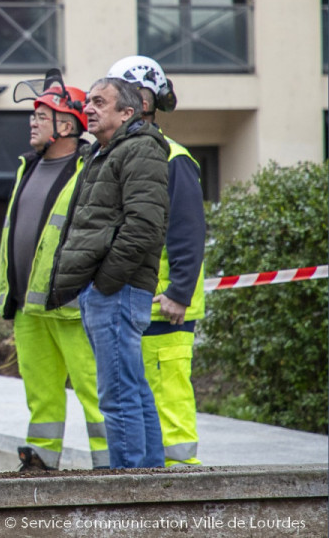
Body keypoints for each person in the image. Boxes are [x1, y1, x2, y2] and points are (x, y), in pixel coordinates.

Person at [48, 77, 169, 469]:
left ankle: (129, 489)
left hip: (116, 290)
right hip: (106, 290)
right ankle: (151, 484)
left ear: (127, 112)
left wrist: (104, 283)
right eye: (90, 102)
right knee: (131, 390)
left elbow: (144, 226)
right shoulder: (101, 153)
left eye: (101, 102)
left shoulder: (139, 151)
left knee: (117, 395)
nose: (90, 108)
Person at [0, 73, 107, 471]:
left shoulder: (90, 168)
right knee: (40, 392)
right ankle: (41, 457)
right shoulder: (28, 166)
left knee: (93, 388)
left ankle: (111, 467)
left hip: (72, 303)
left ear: (69, 124)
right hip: (29, 303)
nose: (33, 121)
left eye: (44, 114)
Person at [108, 55, 206, 467]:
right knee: (143, 401)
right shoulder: (125, 155)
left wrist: (178, 292)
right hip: (139, 301)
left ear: (143, 100)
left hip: (166, 307)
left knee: (169, 409)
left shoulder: (173, 158)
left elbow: (187, 230)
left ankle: (184, 495)